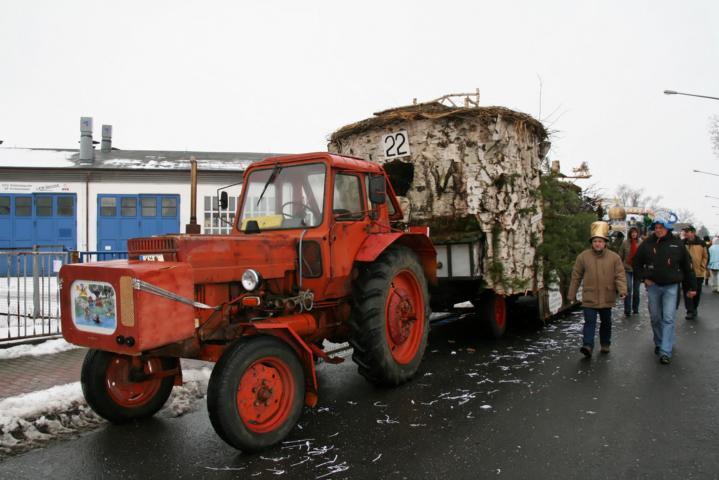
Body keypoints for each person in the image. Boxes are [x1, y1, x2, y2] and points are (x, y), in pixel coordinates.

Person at [632, 213, 696, 365]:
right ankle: (659, 342)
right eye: (656, 227)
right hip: (653, 286)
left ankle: (665, 351)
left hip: (671, 287)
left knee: (668, 318)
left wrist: (692, 287)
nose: (658, 230)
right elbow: (636, 263)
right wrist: (643, 278)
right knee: (655, 317)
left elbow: (688, 267)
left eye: (661, 227)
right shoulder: (647, 243)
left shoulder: (677, 244)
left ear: (667, 228)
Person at [568, 221, 627, 358]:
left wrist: (622, 290)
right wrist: (571, 294)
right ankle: (587, 345)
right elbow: (576, 276)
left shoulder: (614, 258)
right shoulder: (583, 257)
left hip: (607, 295)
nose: (598, 244)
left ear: (605, 242)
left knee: (606, 322)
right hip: (590, 296)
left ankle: (605, 343)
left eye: (600, 241)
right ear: (592, 243)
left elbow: (619, 275)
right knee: (590, 322)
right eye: (595, 241)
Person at [682, 226, 707, 319]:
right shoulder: (682, 243)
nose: (685, 233)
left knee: (696, 292)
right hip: (686, 273)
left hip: (698, 273)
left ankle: (695, 308)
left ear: (693, 232)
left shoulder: (701, 243)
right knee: (687, 291)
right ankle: (690, 310)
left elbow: (705, 256)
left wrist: (702, 267)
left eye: (687, 231)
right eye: (685, 231)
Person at [618, 226, 642, 315]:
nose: (634, 234)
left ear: (637, 233)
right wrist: (619, 267)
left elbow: (644, 256)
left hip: (637, 269)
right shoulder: (625, 243)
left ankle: (635, 309)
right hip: (627, 268)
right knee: (628, 288)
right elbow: (620, 255)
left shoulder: (641, 243)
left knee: (636, 290)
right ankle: (627, 310)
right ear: (629, 233)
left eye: (635, 232)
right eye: (632, 232)